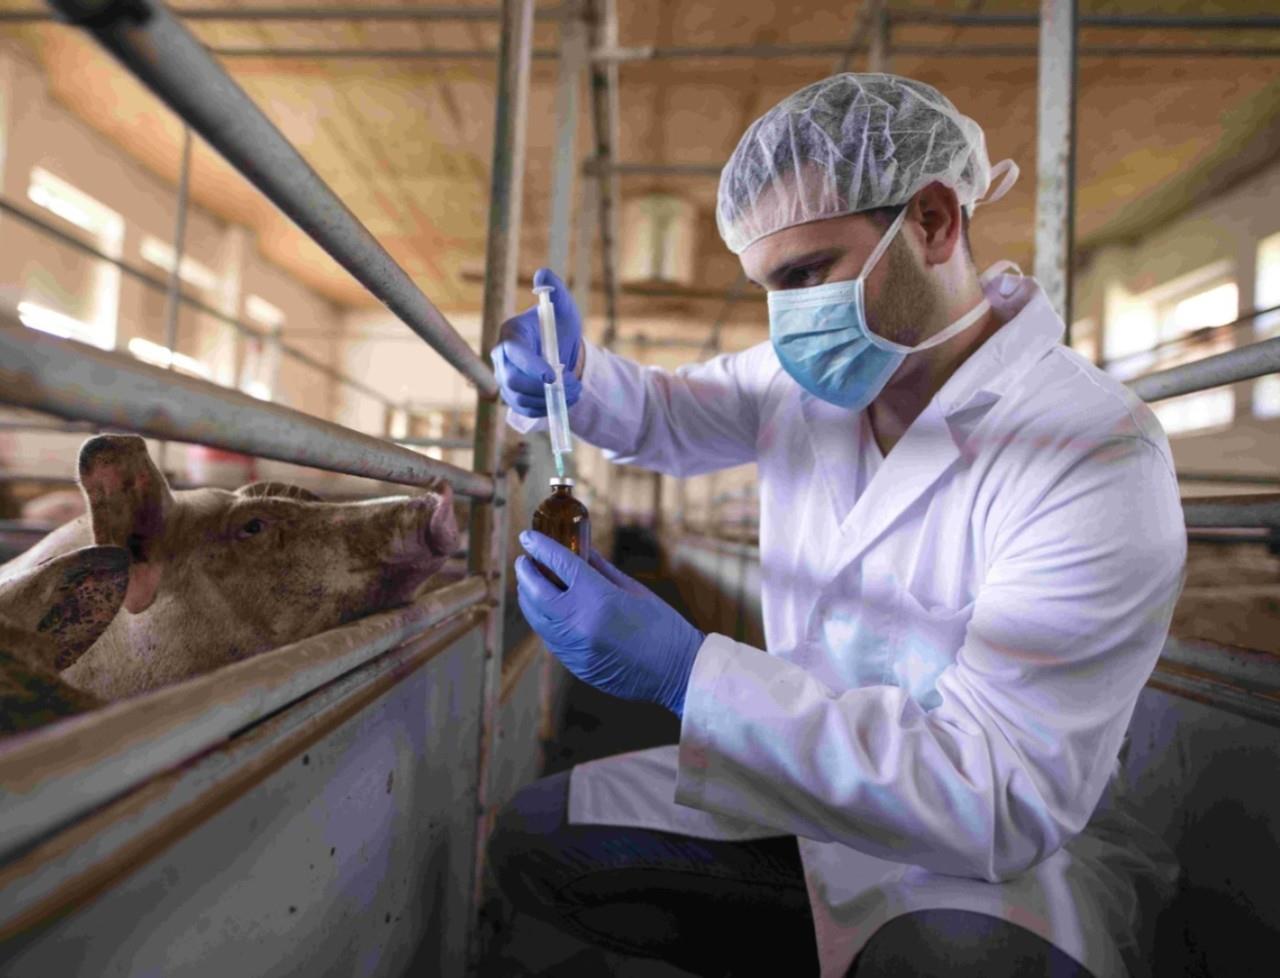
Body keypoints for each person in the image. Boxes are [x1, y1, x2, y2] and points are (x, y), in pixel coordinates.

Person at [487, 73, 1185, 978]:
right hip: (801, 784)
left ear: (934, 220)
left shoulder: (1094, 450)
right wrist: (571, 380)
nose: (787, 324)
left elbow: (998, 795)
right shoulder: (810, 380)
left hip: (984, 854)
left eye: (807, 275)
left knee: (956, 960)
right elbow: (668, 411)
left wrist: (686, 671)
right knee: (538, 838)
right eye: (767, 288)